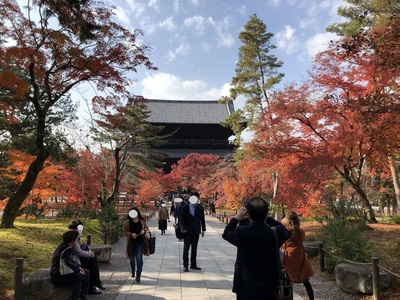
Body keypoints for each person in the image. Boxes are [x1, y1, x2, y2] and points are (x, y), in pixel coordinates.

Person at [222, 197, 290, 300]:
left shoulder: (241, 232)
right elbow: (286, 231)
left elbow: (226, 234)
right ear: (266, 212)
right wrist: (267, 218)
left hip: (245, 285)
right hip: (269, 285)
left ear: (248, 214)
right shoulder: (275, 233)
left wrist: (236, 218)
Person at [281, 210, 315, 300]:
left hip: (288, 258)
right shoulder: (301, 232)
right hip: (300, 257)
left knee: (287, 282)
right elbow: (302, 239)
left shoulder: (284, 232)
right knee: (307, 283)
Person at [50, 230, 90, 300]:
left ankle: (84, 294)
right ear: (72, 240)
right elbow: (69, 262)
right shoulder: (64, 249)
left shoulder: (66, 246)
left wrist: (78, 268)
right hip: (58, 275)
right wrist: (78, 269)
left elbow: (72, 261)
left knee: (86, 272)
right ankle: (74, 297)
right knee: (79, 277)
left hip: (65, 271)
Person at [68, 219, 105, 295]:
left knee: (92, 260)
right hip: (74, 260)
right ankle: (94, 284)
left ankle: (94, 284)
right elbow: (78, 252)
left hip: (76, 258)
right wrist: (90, 254)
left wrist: (89, 252)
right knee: (90, 264)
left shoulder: (75, 236)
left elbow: (80, 247)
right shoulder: (73, 237)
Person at [123, 207, 151, 283]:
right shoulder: (127, 222)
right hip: (131, 242)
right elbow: (125, 231)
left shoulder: (142, 221)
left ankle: (138, 275)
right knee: (132, 259)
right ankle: (133, 270)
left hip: (140, 242)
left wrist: (143, 231)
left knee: (139, 257)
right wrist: (131, 234)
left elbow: (146, 228)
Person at [180, 194, 206, 272]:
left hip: (196, 231)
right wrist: (183, 228)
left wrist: (203, 229)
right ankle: (185, 265)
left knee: (194, 248)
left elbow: (202, 219)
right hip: (187, 231)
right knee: (186, 249)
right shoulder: (185, 207)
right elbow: (182, 219)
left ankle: (193, 264)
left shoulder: (200, 208)